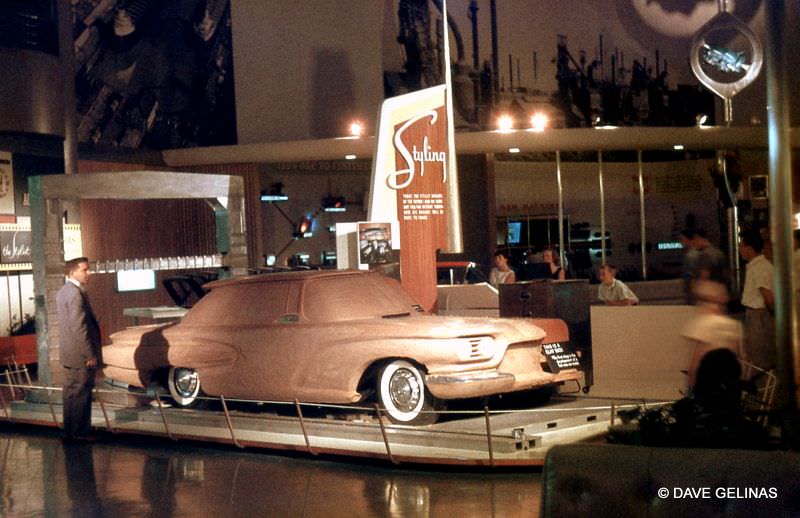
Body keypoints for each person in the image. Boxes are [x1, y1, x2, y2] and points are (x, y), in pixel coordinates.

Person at [57, 257, 103, 441]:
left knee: (71, 394)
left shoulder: (63, 291)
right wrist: (89, 354)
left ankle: (71, 432)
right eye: (85, 270)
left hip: (70, 353)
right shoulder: (76, 293)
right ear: (73, 272)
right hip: (80, 354)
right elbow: (79, 326)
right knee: (81, 394)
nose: (89, 273)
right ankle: (79, 433)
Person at [681, 280, 742, 388]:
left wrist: (691, 381)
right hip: (729, 379)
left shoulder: (704, 323)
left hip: (708, 379)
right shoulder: (733, 325)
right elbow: (739, 355)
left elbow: (697, 357)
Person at [739, 229, 775, 371]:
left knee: (760, 359)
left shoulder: (760, 267)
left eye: (741, 246)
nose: (740, 250)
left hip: (759, 317)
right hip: (756, 316)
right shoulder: (756, 266)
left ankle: (763, 391)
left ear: (749, 248)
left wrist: (772, 317)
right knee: (755, 356)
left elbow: (768, 297)